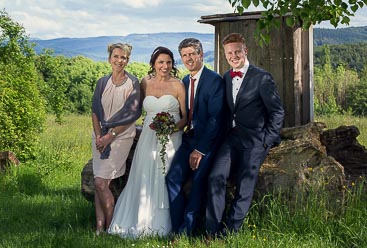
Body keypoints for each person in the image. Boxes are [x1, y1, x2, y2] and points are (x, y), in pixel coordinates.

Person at [205, 33, 285, 238]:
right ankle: (211, 231)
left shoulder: (262, 78)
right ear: (225, 55)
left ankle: (229, 233)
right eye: (229, 53)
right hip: (231, 138)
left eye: (237, 51)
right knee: (215, 177)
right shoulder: (225, 77)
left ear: (245, 51)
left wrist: (267, 140)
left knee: (245, 185)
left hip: (256, 139)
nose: (233, 56)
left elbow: (277, 112)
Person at [108, 46, 187, 238]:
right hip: (147, 137)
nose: (165, 66)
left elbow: (186, 118)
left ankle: (164, 224)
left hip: (171, 138)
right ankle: (139, 219)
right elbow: (135, 110)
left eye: (168, 62)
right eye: (161, 62)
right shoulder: (145, 82)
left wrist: (171, 129)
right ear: (153, 64)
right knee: (142, 176)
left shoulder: (178, 85)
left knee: (164, 176)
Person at [166, 38, 226, 236]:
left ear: (201, 54)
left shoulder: (214, 80)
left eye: (192, 54)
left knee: (199, 180)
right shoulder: (185, 81)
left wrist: (200, 150)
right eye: (185, 55)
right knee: (172, 178)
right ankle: (176, 228)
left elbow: (215, 119)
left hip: (207, 142)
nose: (188, 58)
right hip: (188, 138)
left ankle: (187, 231)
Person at [91, 43, 142, 235]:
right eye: (116, 56)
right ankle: (99, 228)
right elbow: (95, 111)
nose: (119, 60)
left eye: (124, 58)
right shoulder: (102, 82)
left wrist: (110, 136)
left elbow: (132, 115)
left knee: (101, 183)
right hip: (99, 136)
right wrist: (98, 136)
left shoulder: (133, 83)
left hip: (120, 136)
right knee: (99, 181)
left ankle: (111, 227)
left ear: (128, 60)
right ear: (109, 58)